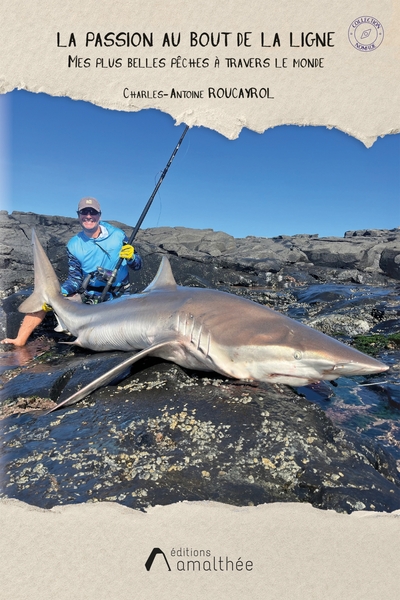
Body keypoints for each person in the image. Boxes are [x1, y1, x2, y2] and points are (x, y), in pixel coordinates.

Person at [1, 197, 142, 346]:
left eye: (92, 212)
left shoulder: (118, 235)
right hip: (90, 297)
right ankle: (19, 340)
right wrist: (58, 293)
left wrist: (133, 257)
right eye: (84, 212)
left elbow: (138, 265)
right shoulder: (74, 245)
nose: (88, 216)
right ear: (79, 215)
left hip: (120, 296)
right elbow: (75, 280)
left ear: (99, 215)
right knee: (48, 296)